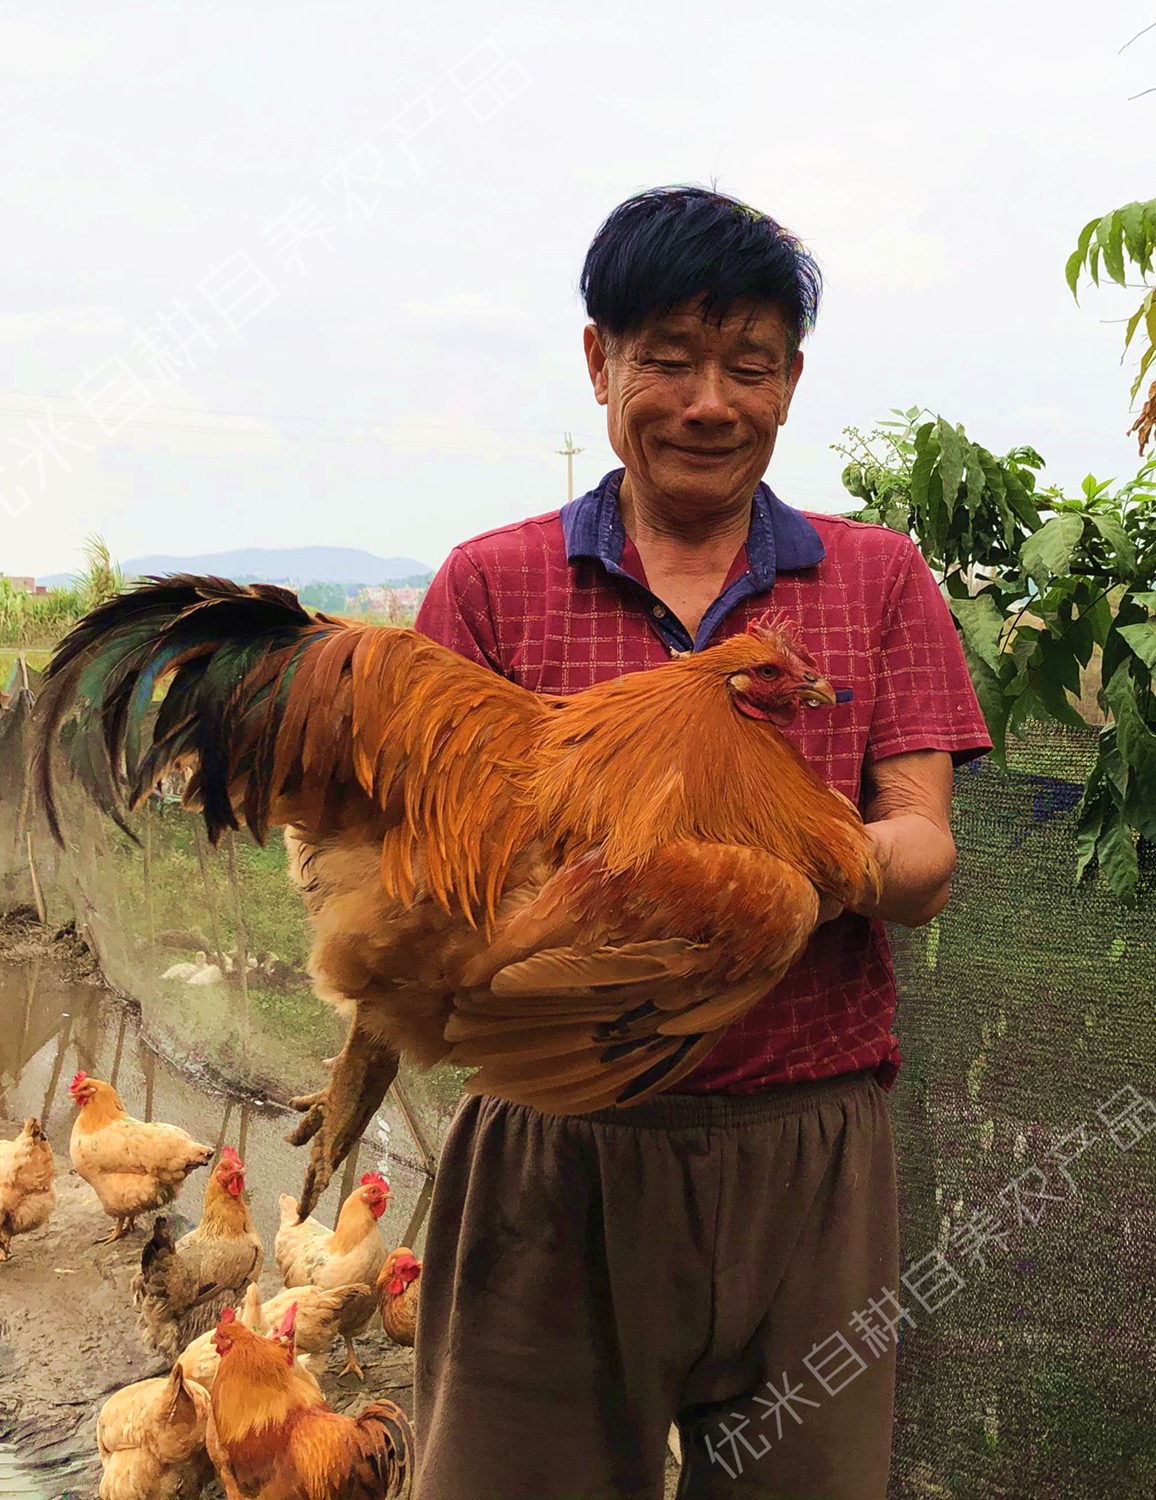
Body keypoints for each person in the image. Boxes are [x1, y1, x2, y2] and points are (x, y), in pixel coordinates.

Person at [410, 186, 991, 1498]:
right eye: (669, 360)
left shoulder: (879, 579)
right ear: (599, 362)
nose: (708, 403)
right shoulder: (490, 587)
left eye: (749, 365)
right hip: (558, 1145)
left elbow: (924, 852)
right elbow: (436, 881)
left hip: (812, 1154)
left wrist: (802, 869)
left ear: (791, 380)